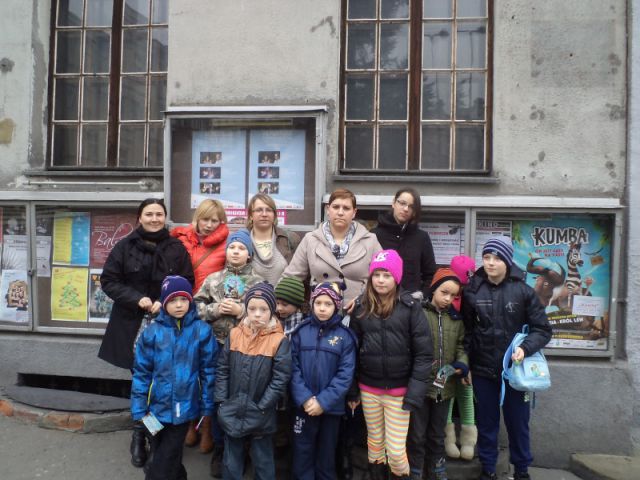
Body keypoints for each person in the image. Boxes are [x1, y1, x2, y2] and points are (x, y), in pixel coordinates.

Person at [98, 198, 194, 469]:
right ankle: (140, 434)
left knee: (162, 384)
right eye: (149, 214)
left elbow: (188, 281)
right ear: (139, 217)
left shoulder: (176, 248)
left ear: (165, 217)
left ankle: (156, 437)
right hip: (134, 325)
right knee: (143, 385)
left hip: (168, 326)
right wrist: (137, 299)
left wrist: (168, 301)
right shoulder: (124, 247)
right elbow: (109, 280)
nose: (154, 219)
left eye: (159, 214)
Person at [462, 236, 552, 480]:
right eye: (487, 257)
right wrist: (466, 364)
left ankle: (521, 471)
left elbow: (543, 330)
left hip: (515, 372)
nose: (490, 263)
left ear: (507, 261)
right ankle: (488, 470)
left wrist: (526, 348)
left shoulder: (523, 291)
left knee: (518, 423)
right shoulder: (472, 290)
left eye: (497, 258)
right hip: (483, 371)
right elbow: (467, 332)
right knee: (486, 424)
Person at [347, 250, 432, 480]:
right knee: (375, 446)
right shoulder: (361, 307)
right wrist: (353, 389)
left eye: (386, 275)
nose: (381, 280)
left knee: (395, 451)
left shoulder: (410, 307)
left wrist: (415, 393)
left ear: (396, 277)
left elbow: (424, 354)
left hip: (399, 392)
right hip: (369, 389)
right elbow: (351, 351)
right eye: (376, 275)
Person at [131, 275, 216, 480]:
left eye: (183, 299)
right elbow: (141, 373)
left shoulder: (202, 331)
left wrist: (207, 404)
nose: (178, 305)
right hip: (153, 410)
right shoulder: (152, 333)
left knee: (163, 462)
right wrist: (139, 408)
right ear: (164, 303)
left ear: (190, 301)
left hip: (184, 409)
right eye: (172, 300)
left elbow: (208, 371)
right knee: (164, 454)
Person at [193, 229, 263, 476]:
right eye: (232, 247)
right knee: (218, 398)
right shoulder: (213, 279)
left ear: (249, 254)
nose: (236, 251)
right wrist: (215, 310)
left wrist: (241, 311)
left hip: (246, 350)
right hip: (216, 347)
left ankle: (241, 450)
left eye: (241, 248)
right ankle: (220, 449)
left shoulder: (258, 283)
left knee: (242, 399)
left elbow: (266, 314)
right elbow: (195, 307)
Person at [215, 282, 292, 480]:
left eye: (263, 309)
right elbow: (223, 369)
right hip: (233, 407)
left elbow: (280, 378)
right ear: (246, 309)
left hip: (261, 411)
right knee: (231, 458)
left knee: (262, 458)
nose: (257, 314)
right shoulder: (234, 334)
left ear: (272, 310)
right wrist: (222, 401)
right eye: (252, 309)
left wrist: (263, 406)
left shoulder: (279, 340)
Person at [171, 199, 229, 453]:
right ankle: (189, 423)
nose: (209, 225)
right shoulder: (180, 240)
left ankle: (206, 428)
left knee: (207, 375)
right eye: (205, 219)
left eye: (214, 220)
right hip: (181, 312)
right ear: (196, 218)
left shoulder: (227, 245)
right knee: (186, 373)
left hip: (207, 315)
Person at [290, 282, 356, 480]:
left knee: (327, 454)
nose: (322, 308)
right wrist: (305, 398)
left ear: (336, 306)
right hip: (304, 406)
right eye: (318, 303)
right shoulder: (300, 332)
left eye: (328, 304)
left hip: (331, 408)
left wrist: (323, 401)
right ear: (312, 303)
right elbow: (292, 368)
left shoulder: (345, 337)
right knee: (302, 452)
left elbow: (345, 374)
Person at [407, 268, 469, 480]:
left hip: (445, 387)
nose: (448, 299)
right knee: (417, 434)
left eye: (453, 295)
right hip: (420, 386)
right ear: (433, 289)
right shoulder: (418, 313)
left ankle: (437, 469)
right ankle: (415, 470)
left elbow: (461, 346)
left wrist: (461, 364)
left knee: (437, 433)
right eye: (444, 292)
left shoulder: (456, 320)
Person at [284, 188, 382, 310]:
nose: (340, 212)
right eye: (336, 207)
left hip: (360, 311)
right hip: (321, 312)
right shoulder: (311, 240)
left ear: (354, 212)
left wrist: (363, 299)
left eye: (346, 208)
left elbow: (383, 277)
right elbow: (292, 277)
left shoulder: (370, 240)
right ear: (327, 210)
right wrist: (273, 302)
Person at [372, 188, 436, 300]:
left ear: (415, 211)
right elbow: (366, 271)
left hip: (411, 302)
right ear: (393, 203)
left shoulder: (422, 237)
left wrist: (421, 295)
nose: (406, 209)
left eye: (411, 206)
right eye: (402, 203)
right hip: (380, 301)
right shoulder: (374, 235)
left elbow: (430, 274)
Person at [444, 255, 478, 461]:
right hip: (445, 355)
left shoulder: (473, 298)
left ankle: (468, 441)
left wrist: (467, 363)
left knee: (466, 393)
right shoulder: (443, 295)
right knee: (446, 394)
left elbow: (473, 332)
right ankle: (448, 439)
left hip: (465, 355)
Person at [246, 193, 300, 286]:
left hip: (282, 295)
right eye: (259, 210)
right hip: (249, 295)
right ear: (251, 215)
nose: (264, 214)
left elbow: (300, 274)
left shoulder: (290, 239)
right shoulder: (241, 241)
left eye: (268, 210)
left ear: (274, 215)